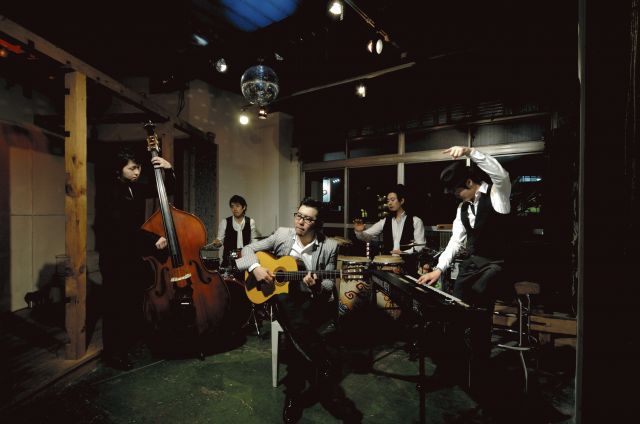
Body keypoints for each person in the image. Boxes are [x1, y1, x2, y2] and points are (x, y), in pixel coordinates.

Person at [236, 198, 359, 424]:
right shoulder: (282, 235)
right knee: (284, 298)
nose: (300, 222)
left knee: (295, 333)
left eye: (307, 219)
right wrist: (256, 268)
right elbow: (247, 249)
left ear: (317, 223)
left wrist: (317, 285)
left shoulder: (330, 246)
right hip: (280, 300)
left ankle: (293, 395)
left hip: (310, 303)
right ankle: (322, 361)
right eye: (299, 216)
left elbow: (329, 283)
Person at [417, 145, 511, 385]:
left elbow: (501, 174)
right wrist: (439, 269)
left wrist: (470, 152)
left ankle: (480, 367)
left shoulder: (497, 194)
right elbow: (455, 243)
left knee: (479, 305)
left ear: (469, 182)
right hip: (473, 264)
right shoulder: (462, 208)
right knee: (455, 308)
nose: (454, 195)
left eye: (456, 190)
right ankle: (454, 366)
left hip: (497, 264)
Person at [94, 147, 174, 370]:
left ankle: (124, 346)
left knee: (129, 304)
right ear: (119, 169)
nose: (137, 172)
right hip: (115, 259)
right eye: (132, 168)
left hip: (130, 256)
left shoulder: (133, 188)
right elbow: (123, 228)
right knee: (115, 306)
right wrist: (153, 239)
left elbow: (164, 190)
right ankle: (113, 354)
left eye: (139, 168)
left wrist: (168, 169)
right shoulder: (110, 191)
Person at [353, 184, 426, 276]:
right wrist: (359, 231)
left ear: (402, 201)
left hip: (407, 268)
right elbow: (367, 237)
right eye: (388, 201)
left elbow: (421, 246)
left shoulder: (416, 221)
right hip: (388, 268)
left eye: (392, 200)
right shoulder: (385, 221)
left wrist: (404, 252)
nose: (389, 203)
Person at [212, 195, 257, 268]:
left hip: (246, 260)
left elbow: (254, 242)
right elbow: (219, 242)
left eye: (237, 206)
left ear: (244, 207)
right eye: (232, 206)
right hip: (228, 261)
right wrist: (216, 243)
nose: (234, 209)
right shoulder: (225, 222)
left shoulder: (251, 222)